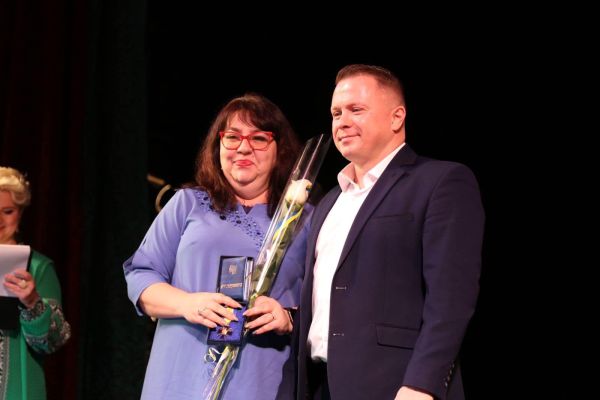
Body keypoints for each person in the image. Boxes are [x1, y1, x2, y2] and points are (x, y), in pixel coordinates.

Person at [294, 65, 485, 400]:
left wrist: (423, 384)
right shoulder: (327, 202)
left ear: (397, 117)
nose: (342, 121)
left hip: (396, 386)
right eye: (336, 113)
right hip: (322, 386)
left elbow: (451, 299)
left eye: (356, 109)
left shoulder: (441, 182)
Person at [123, 93, 311, 399]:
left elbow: (331, 304)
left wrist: (289, 317)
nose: (243, 147)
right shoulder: (187, 204)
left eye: (259, 138)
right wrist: (187, 304)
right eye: (232, 137)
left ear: (280, 149)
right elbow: (140, 279)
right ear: (218, 146)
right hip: (180, 375)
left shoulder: (305, 220)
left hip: (262, 380)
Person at [0, 166, 71, 400]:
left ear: (20, 213)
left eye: (7, 211)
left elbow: (53, 341)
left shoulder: (38, 268)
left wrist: (32, 303)